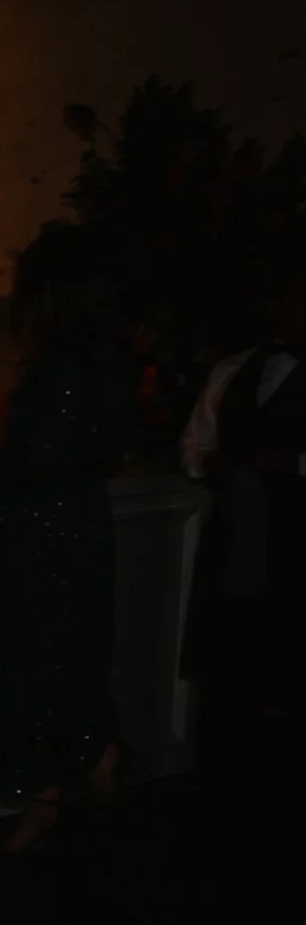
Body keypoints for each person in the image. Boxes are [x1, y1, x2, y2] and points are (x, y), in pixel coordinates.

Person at [0, 227, 129, 852]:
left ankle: (74, 770)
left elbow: (42, 455)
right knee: (50, 662)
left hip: (44, 536)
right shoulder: (93, 359)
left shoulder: (66, 365)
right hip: (67, 529)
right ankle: (60, 783)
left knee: (26, 661)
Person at [179, 265, 306, 761]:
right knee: (229, 673)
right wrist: (210, 462)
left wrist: (294, 464)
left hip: (295, 546)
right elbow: (194, 444)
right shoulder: (234, 368)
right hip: (234, 542)